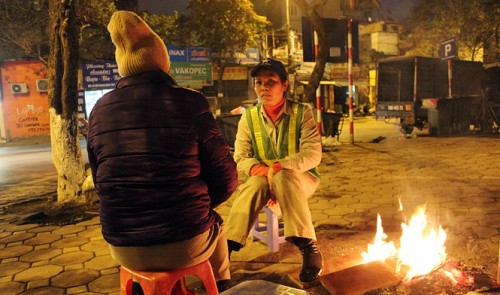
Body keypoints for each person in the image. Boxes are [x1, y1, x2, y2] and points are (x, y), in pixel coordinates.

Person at [86, 11, 238, 292]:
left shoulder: (99, 111)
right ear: (163, 62)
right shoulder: (190, 103)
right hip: (183, 242)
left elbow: (100, 181)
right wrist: (200, 205)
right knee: (216, 224)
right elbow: (227, 179)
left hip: (121, 245)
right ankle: (224, 286)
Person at [225, 58, 324, 283]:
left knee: (283, 177)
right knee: (254, 185)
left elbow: (313, 154)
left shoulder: (302, 113)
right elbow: (240, 156)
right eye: (259, 82)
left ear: (285, 85)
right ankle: (227, 245)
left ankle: (308, 245)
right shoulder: (248, 117)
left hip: (299, 178)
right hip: (261, 178)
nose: (264, 88)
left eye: (271, 81)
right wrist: (262, 171)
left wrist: (280, 167)